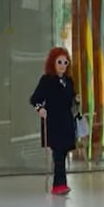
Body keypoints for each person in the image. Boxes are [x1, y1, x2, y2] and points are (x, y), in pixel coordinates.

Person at [30, 47, 79, 196]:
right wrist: (40, 110)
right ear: (53, 63)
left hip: (66, 121)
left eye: (66, 62)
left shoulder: (68, 81)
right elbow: (35, 99)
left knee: (62, 153)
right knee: (58, 153)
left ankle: (61, 184)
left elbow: (71, 99)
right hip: (53, 122)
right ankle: (59, 185)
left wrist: (76, 100)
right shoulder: (46, 80)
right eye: (60, 62)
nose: (63, 65)